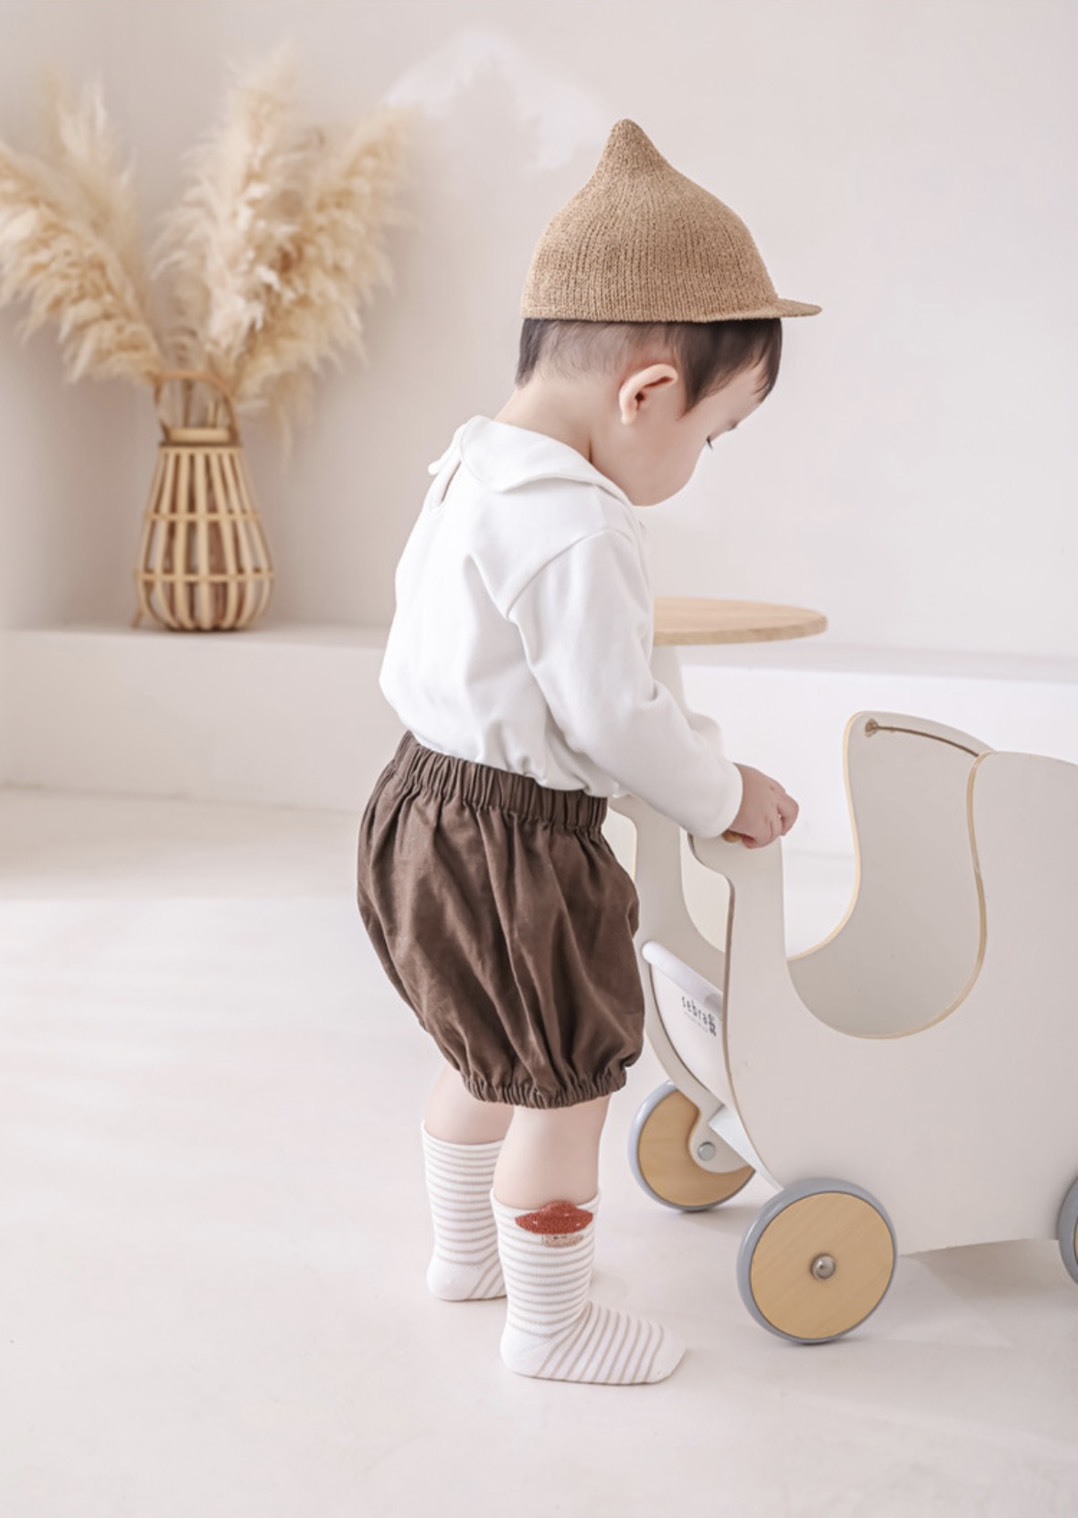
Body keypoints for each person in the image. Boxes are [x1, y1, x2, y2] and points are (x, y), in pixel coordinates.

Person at [357, 119, 820, 1385]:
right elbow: (617, 714)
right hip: (513, 840)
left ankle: (468, 1257)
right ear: (647, 393)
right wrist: (725, 792)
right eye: (715, 434)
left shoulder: (469, 467)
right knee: (565, 1086)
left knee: (483, 1056)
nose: (698, 461)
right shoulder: (581, 523)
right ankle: (551, 1325)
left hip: (415, 809)